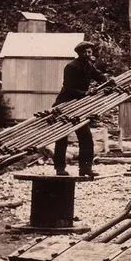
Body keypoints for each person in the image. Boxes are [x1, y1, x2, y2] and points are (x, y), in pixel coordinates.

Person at [52, 40, 109, 177]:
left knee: (86, 138)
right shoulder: (71, 67)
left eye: (90, 51)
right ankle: (60, 169)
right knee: (61, 138)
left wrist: (107, 81)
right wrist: (84, 93)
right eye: (87, 52)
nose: (90, 54)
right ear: (81, 53)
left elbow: (99, 76)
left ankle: (85, 169)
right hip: (65, 105)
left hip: (80, 108)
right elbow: (69, 88)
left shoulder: (89, 65)